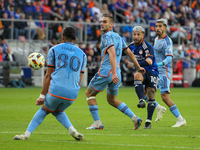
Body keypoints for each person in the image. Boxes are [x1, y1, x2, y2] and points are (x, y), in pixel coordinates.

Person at [13, 26, 87, 140]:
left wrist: (42, 96)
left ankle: (26, 135)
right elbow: (79, 77)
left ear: (62, 37)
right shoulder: (83, 54)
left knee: (44, 109)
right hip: (73, 93)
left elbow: (48, 75)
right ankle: (74, 132)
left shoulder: (54, 50)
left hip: (56, 90)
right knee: (57, 110)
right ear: (75, 38)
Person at [85, 14, 145, 130]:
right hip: (116, 72)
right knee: (112, 100)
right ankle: (134, 118)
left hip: (108, 72)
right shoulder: (118, 37)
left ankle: (97, 123)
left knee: (89, 94)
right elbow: (130, 54)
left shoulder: (106, 36)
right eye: (101, 21)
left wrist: (113, 73)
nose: (101, 23)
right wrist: (138, 67)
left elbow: (112, 53)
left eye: (105, 22)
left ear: (111, 25)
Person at [127, 26, 166, 129]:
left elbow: (149, 61)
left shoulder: (147, 46)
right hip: (141, 71)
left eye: (138, 34)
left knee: (151, 94)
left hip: (152, 71)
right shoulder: (130, 46)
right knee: (137, 75)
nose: (136, 36)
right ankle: (141, 100)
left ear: (143, 35)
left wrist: (134, 64)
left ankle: (148, 122)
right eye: (134, 34)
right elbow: (119, 53)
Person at [154, 18, 186, 127]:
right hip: (155, 72)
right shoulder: (155, 39)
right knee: (143, 91)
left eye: (160, 26)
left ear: (165, 27)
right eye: (156, 26)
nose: (157, 28)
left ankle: (180, 119)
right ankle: (159, 108)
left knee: (165, 97)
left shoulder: (167, 41)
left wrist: (158, 64)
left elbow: (169, 58)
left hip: (164, 72)